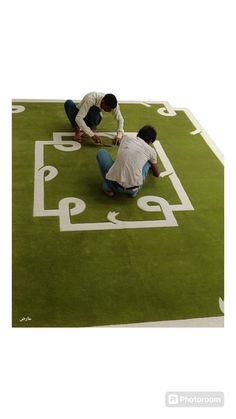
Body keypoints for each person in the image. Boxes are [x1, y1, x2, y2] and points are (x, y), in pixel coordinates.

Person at [96, 125, 160, 197]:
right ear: (150, 141)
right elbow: (157, 174)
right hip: (133, 189)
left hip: (114, 185)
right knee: (149, 161)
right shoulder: (151, 151)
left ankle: (107, 186)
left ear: (139, 133)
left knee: (101, 152)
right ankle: (133, 192)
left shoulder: (126, 138)